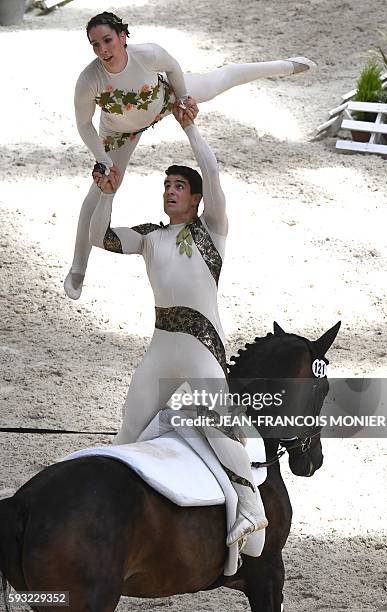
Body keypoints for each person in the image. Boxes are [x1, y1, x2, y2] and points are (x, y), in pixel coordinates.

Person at [88, 100, 267, 547]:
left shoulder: (212, 232)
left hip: (202, 346)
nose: (170, 190)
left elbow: (214, 173)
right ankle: (115, 507)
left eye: (179, 185)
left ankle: (252, 509)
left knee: (221, 424)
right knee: (129, 429)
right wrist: (106, 191)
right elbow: (98, 237)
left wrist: (191, 131)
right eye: (166, 184)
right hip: (161, 348)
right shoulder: (151, 236)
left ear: (196, 197)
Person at [64, 10, 316, 299]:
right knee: (97, 194)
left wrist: (182, 98)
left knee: (219, 81)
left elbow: (172, 67)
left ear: (122, 37)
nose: (103, 50)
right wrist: (103, 159)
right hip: (120, 132)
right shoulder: (89, 80)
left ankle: (286, 65)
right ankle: (78, 268)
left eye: (107, 40)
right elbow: (84, 124)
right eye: (95, 45)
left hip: (164, 99)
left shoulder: (147, 54)